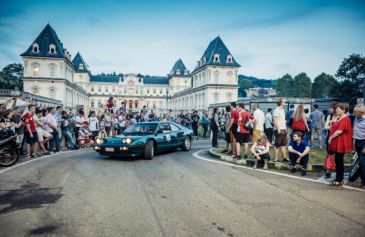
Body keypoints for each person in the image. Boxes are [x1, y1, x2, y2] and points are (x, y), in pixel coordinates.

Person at [328, 104, 353, 186]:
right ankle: (339, 178)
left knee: (339, 161)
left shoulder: (345, 118)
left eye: (338, 109)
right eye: (336, 109)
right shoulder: (340, 118)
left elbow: (339, 131)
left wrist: (331, 138)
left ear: (343, 110)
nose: (336, 110)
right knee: (338, 160)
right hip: (338, 142)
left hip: (341, 143)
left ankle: (339, 179)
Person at [352, 104, 365, 188]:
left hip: (364, 142)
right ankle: (362, 179)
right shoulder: (356, 119)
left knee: (362, 162)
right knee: (361, 162)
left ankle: (363, 181)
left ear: (361, 112)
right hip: (357, 142)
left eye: (355, 111)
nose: (354, 113)